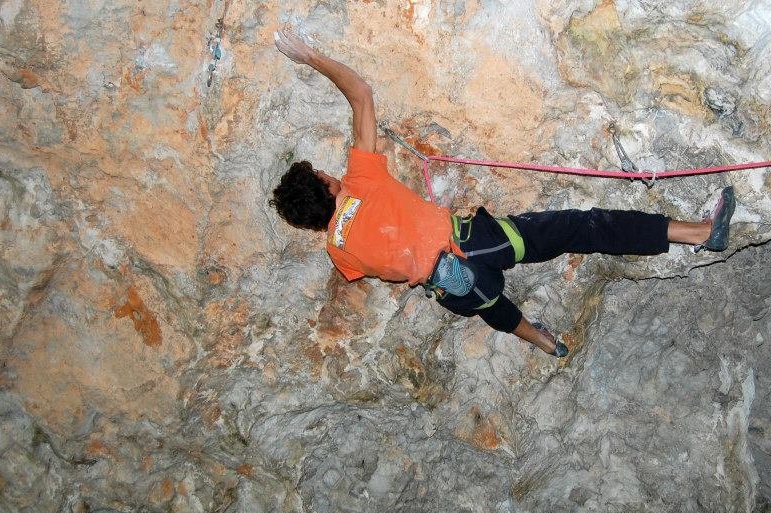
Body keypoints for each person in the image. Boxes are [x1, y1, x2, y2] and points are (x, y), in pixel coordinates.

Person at [269, 27, 735, 357]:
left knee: (496, 310)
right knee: (580, 228)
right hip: (475, 241)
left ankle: (543, 341)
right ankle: (696, 232)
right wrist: (310, 57)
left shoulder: (338, 252)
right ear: (328, 184)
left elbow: (377, 263)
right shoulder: (358, 183)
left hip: (455, 287)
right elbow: (361, 94)